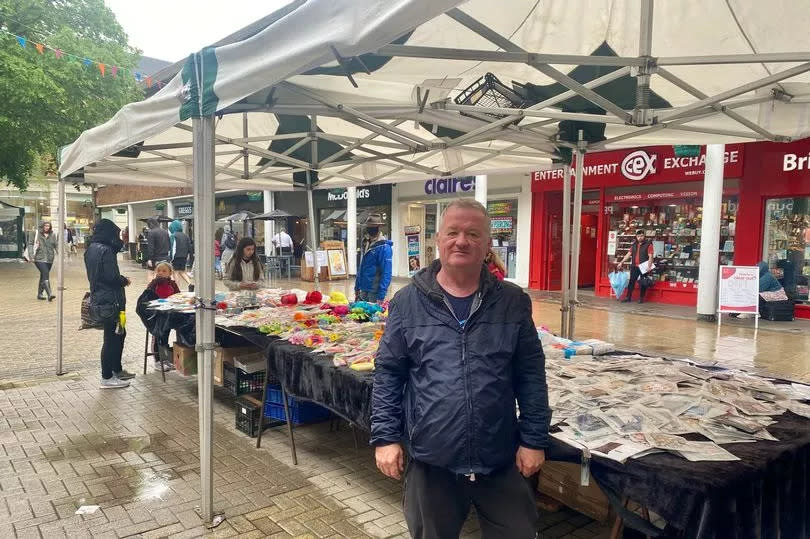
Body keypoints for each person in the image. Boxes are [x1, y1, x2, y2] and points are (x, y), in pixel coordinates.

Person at [371, 199, 550, 539]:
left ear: (486, 245)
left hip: (500, 456)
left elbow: (530, 374)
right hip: (432, 460)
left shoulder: (512, 301)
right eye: (452, 232)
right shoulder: (408, 302)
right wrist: (385, 437)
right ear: (438, 239)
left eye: (472, 233)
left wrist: (534, 439)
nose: (461, 241)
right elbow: (389, 374)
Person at [84, 219, 135, 388]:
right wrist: (124, 280)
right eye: (115, 234)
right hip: (111, 301)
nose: (117, 238)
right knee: (112, 337)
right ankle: (107, 376)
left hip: (105, 299)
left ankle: (116, 369)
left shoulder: (91, 249)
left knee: (120, 332)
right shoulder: (105, 250)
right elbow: (111, 277)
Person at [141, 261, 180, 371]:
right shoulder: (154, 284)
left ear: (170, 273)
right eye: (159, 270)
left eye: (164, 271)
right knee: (157, 337)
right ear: (155, 272)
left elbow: (178, 295)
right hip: (156, 316)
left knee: (165, 337)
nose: (161, 273)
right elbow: (147, 295)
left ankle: (165, 359)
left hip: (168, 314)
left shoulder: (172, 284)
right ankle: (158, 360)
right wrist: (155, 283)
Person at [356, 214, 393, 303]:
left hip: (374, 291)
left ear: (378, 227)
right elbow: (361, 267)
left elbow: (386, 273)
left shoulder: (384, 247)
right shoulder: (366, 243)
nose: (370, 229)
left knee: (371, 316)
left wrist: (381, 295)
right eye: (368, 227)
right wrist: (357, 287)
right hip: (363, 290)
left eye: (372, 227)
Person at [617, 230, 654, 303]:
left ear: (644, 236)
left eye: (641, 236)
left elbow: (651, 256)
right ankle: (628, 297)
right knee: (631, 282)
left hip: (643, 266)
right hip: (634, 266)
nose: (640, 238)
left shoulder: (648, 245)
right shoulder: (634, 245)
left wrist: (649, 267)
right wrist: (621, 262)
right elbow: (628, 254)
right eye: (638, 236)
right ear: (636, 237)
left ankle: (641, 298)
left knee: (643, 283)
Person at [31, 221, 59, 301]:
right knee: (45, 274)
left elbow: (55, 245)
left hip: (50, 259)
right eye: (46, 226)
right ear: (42, 226)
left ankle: (40, 294)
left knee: (43, 275)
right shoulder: (36, 234)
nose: (47, 227)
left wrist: (59, 253)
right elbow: (30, 244)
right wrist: (31, 255)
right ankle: (49, 293)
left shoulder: (52, 235)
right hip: (39, 258)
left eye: (48, 226)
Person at [169, 220, 193, 288]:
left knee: (175, 272)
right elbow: (189, 247)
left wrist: (171, 258)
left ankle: (177, 288)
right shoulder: (186, 236)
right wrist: (188, 256)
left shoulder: (173, 236)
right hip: (184, 256)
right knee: (182, 271)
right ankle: (190, 284)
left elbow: (172, 248)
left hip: (176, 257)